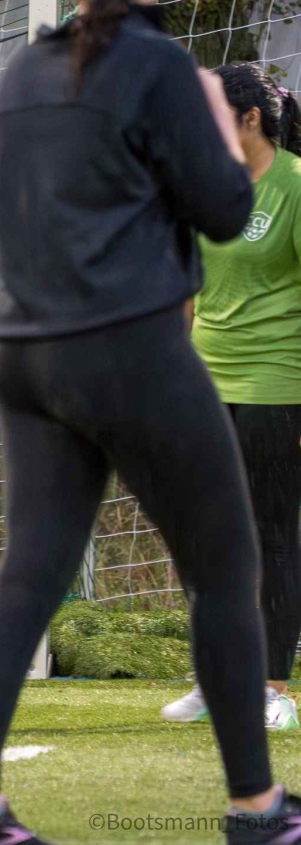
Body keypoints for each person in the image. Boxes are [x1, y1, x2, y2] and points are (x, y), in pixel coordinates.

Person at [0, 0, 300, 845]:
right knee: (227, 572)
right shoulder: (162, 68)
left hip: (23, 353)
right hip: (134, 349)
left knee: (28, 576)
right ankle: (259, 808)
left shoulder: (20, 73)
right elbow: (227, 212)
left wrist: (41, 293)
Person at [161, 62, 301, 733]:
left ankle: (274, 687)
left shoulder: (296, 188)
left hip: (280, 386)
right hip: (206, 387)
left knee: (270, 535)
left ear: (249, 119)